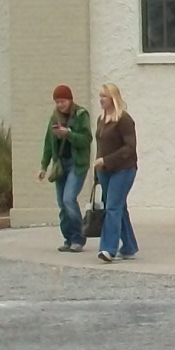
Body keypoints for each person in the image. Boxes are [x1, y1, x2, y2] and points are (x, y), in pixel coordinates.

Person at [35, 84, 92, 253]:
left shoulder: (81, 115)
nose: (60, 105)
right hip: (60, 164)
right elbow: (48, 142)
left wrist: (68, 134)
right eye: (57, 102)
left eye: (63, 101)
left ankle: (78, 238)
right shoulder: (55, 117)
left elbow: (86, 139)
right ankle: (68, 238)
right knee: (62, 203)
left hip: (77, 163)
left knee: (69, 199)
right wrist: (43, 166)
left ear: (70, 100)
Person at [92, 83, 138, 261]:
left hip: (124, 169)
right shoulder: (101, 119)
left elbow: (129, 147)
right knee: (119, 207)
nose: (101, 99)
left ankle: (108, 249)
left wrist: (107, 160)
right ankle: (129, 247)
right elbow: (101, 146)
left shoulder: (124, 119)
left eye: (104, 96)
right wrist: (98, 168)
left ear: (113, 98)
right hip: (105, 171)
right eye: (100, 96)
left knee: (112, 207)